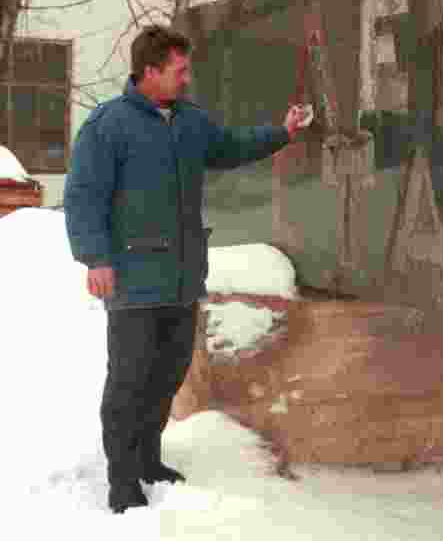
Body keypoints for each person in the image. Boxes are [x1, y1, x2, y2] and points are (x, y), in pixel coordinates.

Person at [64, 25, 310, 514]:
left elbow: (233, 147)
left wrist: (282, 132)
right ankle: (122, 480)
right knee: (129, 381)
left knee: (168, 375)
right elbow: (83, 197)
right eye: (178, 71)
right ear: (149, 71)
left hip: (181, 278)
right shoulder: (108, 125)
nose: (186, 78)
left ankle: (148, 459)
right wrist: (96, 258)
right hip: (133, 280)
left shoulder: (190, 122)